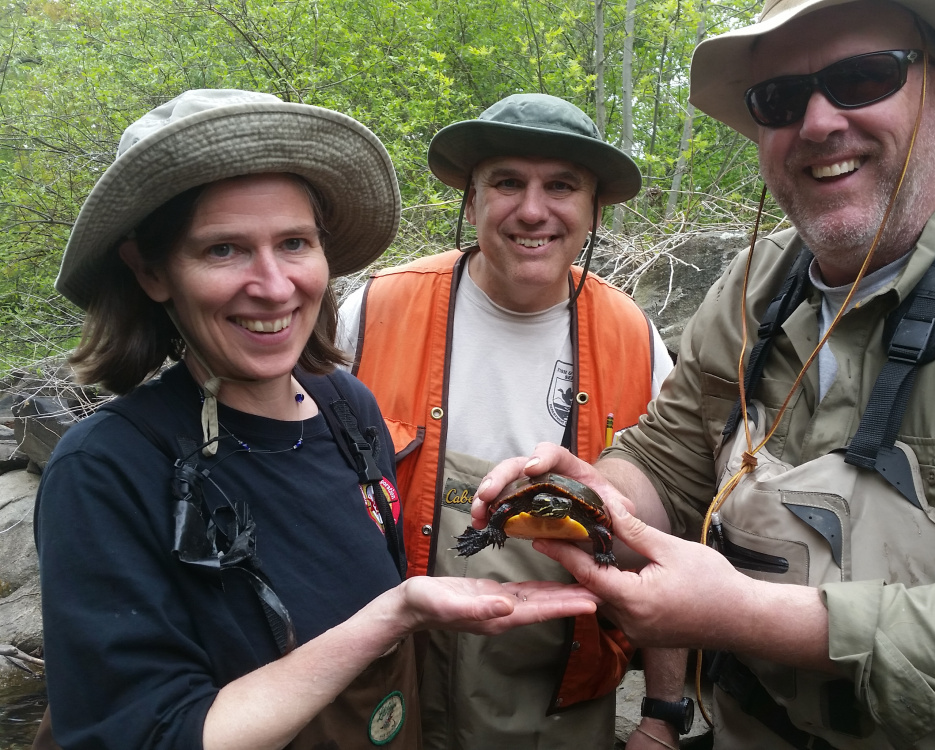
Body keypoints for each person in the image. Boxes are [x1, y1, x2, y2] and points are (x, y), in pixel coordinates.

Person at [475, 1, 935, 748]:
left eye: (860, 78)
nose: (818, 123)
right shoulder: (752, 286)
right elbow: (671, 457)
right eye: (780, 99)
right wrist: (591, 499)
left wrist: (753, 620)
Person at [32, 88, 601, 750]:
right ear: (152, 271)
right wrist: (395, 614)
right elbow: (147, 734)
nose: (274, 286)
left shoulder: (346, 408)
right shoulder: (105, 472)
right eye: (224, 250)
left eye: (294, 242)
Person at [336, 93, 674, 748]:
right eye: (508, 183)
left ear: (594, 209)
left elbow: (675, 538)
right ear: (471, 201)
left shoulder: (633, 338)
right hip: (394, 688)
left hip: (565, 696)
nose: (532, 209)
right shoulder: (376, 310)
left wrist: (662, 713)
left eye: (562, 186)